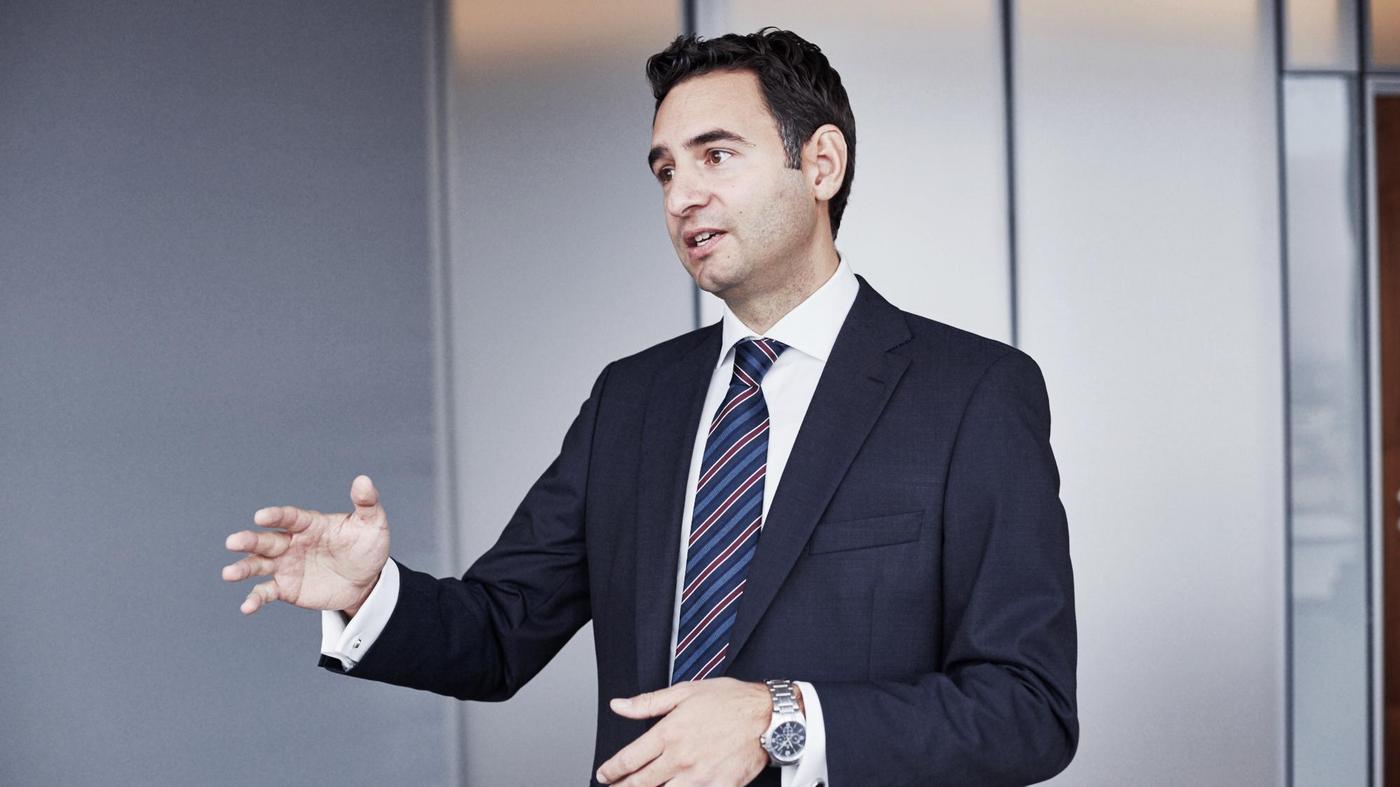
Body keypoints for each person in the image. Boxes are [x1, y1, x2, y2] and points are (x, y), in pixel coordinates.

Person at [222, 28, 1077, 786]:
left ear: (821, 163)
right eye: (666, 169)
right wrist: (370, 593)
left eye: (716, 156)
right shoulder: (631, 400)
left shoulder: (972, 393)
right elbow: (499, 630)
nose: (680, 197)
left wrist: (781, 719)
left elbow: (1028, 707)